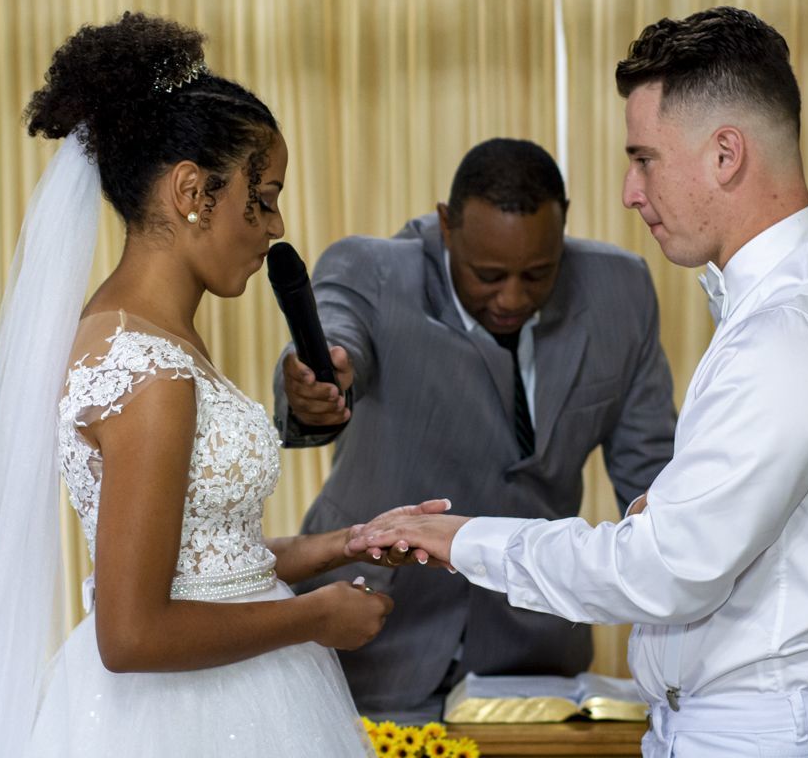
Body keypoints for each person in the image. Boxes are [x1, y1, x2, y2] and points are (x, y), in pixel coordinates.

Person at [353, 7, 808, 757]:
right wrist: (667, 515)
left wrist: (464, 539)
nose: (629, 191)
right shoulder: (803, 297)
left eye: (645, 159)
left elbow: (666, 569)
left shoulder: (789, 335)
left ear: (725, 155)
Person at [0, 13, 443, 757]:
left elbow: (205, 564)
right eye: (265, 195)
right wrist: (316, 617)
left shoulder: (138, 334)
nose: (276, 225)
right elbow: (132, 634)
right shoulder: (150, 371)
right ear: (192, 190)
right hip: (184, 718)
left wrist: (344, 544)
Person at [274, 137, 677, 719]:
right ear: (446, 225)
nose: (512, 297)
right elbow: (336, 333)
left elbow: (654, 476)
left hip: (533, 653)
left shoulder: (622, 289)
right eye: (488, 275)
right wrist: (317, 385)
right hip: (373, 638)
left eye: (537, 274)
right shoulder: (375, 270)